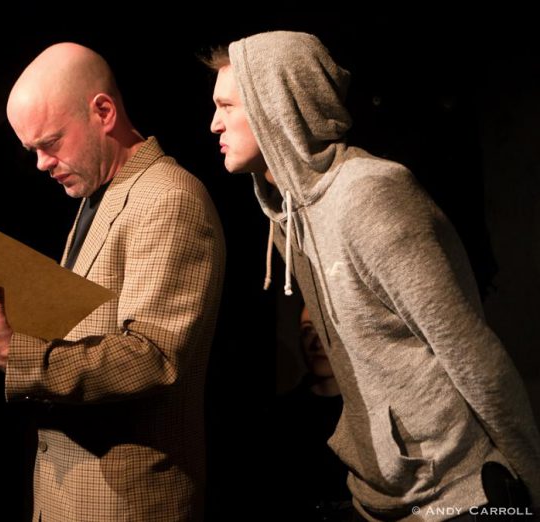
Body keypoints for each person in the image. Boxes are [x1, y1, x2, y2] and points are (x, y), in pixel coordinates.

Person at [204, 31, 540, 520]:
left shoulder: (371, 196)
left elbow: (470, 350)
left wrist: (530, 485)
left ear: (276, 106)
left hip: (458, 495)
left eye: (227, 106)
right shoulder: (292, 218)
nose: (214, 123)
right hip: (383, 495)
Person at [0, 42, 225, 521]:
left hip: (125, 505)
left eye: (50, 143)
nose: (41, 163)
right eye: (31, 150)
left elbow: (153, 357)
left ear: (103, 111)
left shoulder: (168, 198)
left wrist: (19, 354)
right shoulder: (100, 195)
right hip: (72, 495)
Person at [273, 305, 350, 521]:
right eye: (308, 330)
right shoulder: (283, 415)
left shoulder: (366, 415)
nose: (317, 343)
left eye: (325, 330)